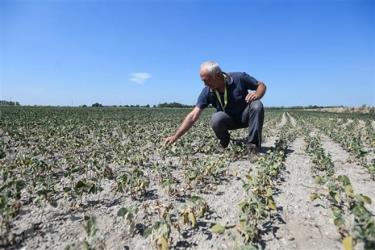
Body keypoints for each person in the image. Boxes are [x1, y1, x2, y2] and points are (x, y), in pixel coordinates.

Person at [165, 61, 266, 158]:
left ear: (218, 76)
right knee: (216, 118)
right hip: (229, 120)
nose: (205, 84)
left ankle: (253, 146)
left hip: (246, 117)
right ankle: (224, 141)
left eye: (206, 80)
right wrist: (176, 136)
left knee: (257, 105)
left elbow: (261, 85)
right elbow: (193, 116)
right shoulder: (207, 92)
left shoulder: (239, 78)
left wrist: (257, 94)